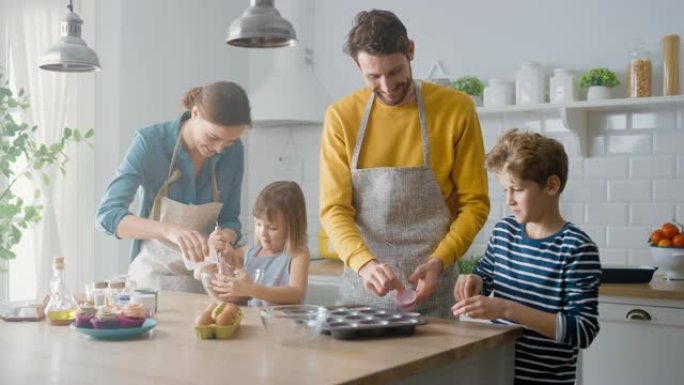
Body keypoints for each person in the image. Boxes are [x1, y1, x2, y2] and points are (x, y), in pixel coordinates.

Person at [319, 9, 490, 317]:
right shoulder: (341, 117)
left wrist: (440, 260)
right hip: (360, 300)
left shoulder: (456, 109)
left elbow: (474, 204)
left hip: (434, 297)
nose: (386, 86)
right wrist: (364, 263)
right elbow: (334, 209)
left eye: (395, 72)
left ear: (410, 50)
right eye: (373, 76)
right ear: (357, 66)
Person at [452, 129, 601, 385]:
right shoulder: (504, 232)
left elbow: (583, 330)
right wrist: (474, 280)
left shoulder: (576, 248)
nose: (509, 200)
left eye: (517, 189)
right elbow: (485, 274)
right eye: (504, 191)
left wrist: (508, 309)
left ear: (551, 185)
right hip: (497, 372)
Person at [96, 81, 251, 293]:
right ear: (195, 113)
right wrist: (168, 231)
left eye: (229, 142)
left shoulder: (233, 152)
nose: (219, 149)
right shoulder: (150, 142)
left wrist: (227, 236)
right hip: (151, 284)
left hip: (205, 282)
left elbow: (230, 219)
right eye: (213, 137)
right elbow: (107, 216)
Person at [204, 181, 310, 306]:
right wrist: (222, 256)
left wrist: (251, 289)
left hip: (285, 324)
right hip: (255, 323)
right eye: (258, 224)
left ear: (293, 227)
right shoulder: (249, 251)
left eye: (272, 227)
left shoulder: (297, 254)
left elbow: (296, 293)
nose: (263, 233)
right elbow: (207, 270)